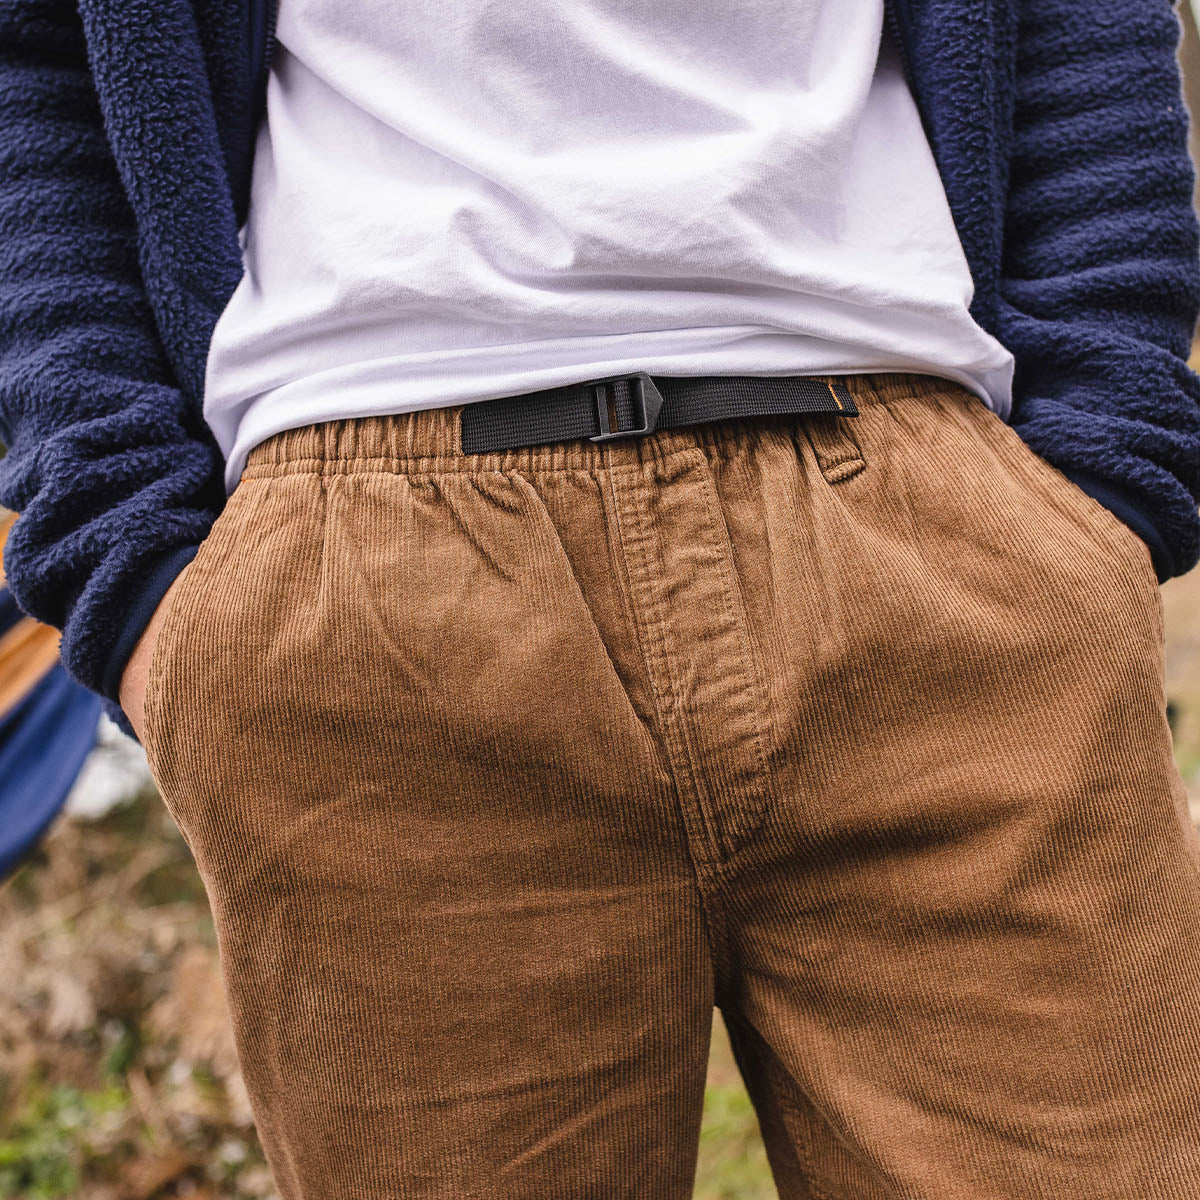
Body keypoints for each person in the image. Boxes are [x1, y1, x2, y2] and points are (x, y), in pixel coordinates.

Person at [3, 0, 1200, 1195]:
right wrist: (137, 571)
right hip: (365, 586)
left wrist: (1103, 480)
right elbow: (34, 65)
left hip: (923, 510)